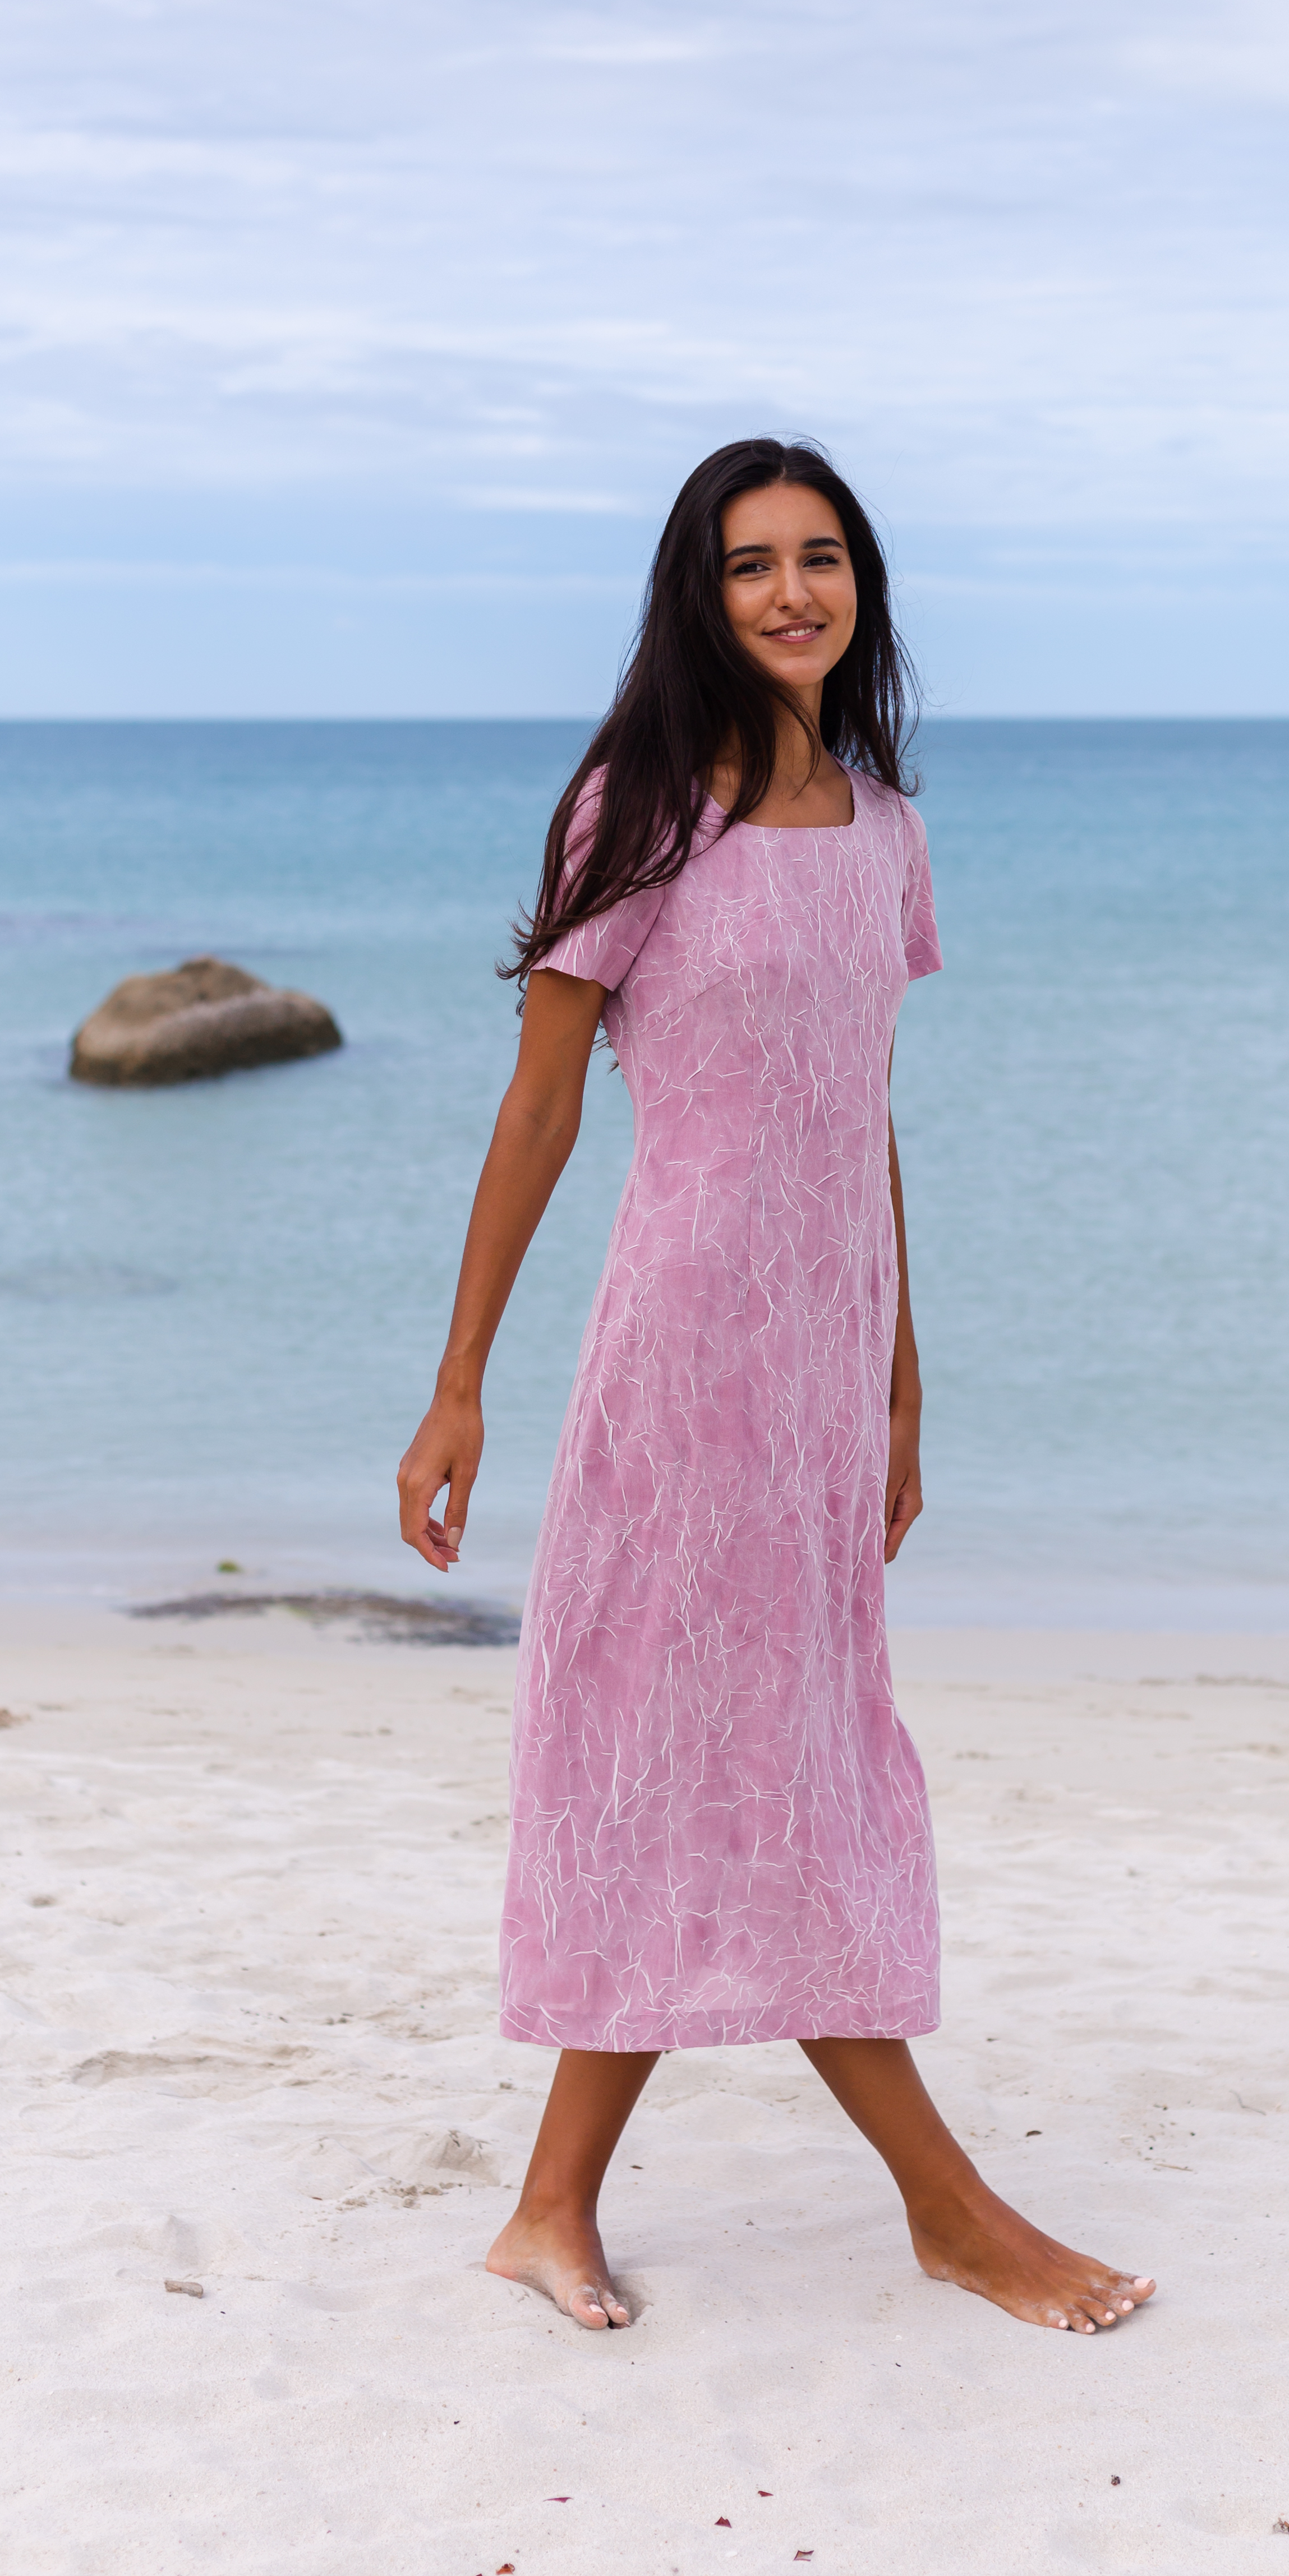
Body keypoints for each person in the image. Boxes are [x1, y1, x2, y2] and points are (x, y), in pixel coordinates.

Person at [397, 437, 1153, 2339]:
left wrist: (902, 1381)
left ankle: (549, 2205)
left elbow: (858, 1109)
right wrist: (459, 1380)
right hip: (684, 1352)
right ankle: (954, 2208)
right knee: (756, 1769)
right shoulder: (636, 810)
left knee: (743, 1761)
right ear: (698, 592)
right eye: (753, 565)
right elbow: (546, 1101)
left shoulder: (888, 827)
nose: (794, 592)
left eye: (824, 559)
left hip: (823, 1367)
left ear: (861, 587)